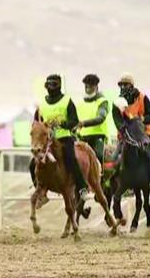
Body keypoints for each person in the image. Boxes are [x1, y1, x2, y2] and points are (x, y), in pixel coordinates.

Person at [32, 74, 90, 204]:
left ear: (58, 86)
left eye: (53, 85)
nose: (50, 88)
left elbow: (74, 120)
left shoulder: (67, 101)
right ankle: (40, 191)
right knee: (33, 164)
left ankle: (82, 188)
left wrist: (63, 124)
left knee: (71, 159)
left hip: (64, 138)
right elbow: (36, 123)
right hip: (46, 142)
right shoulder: (42, 105)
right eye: (48, 85)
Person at [113, 73, 150, 200]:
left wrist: (140, 120)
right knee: (113, 159)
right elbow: (118, 121)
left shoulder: (142, 97)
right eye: (121, 85)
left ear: (132, 85)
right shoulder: (117, 102)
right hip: (126, 138)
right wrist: (125, 128)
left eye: (125, 85)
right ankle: (113, 187)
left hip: (144, 136)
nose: (123, 87)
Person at [76, 74, 110, 164]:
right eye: (86, 86)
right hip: (82, 137)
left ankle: (100, 177)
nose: (88, 89)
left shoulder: (102, 101)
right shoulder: (80, 102)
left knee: (99, 155)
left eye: (90, 86)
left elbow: (101, 118)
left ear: (96, 87)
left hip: (98, 136)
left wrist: (84, 123)